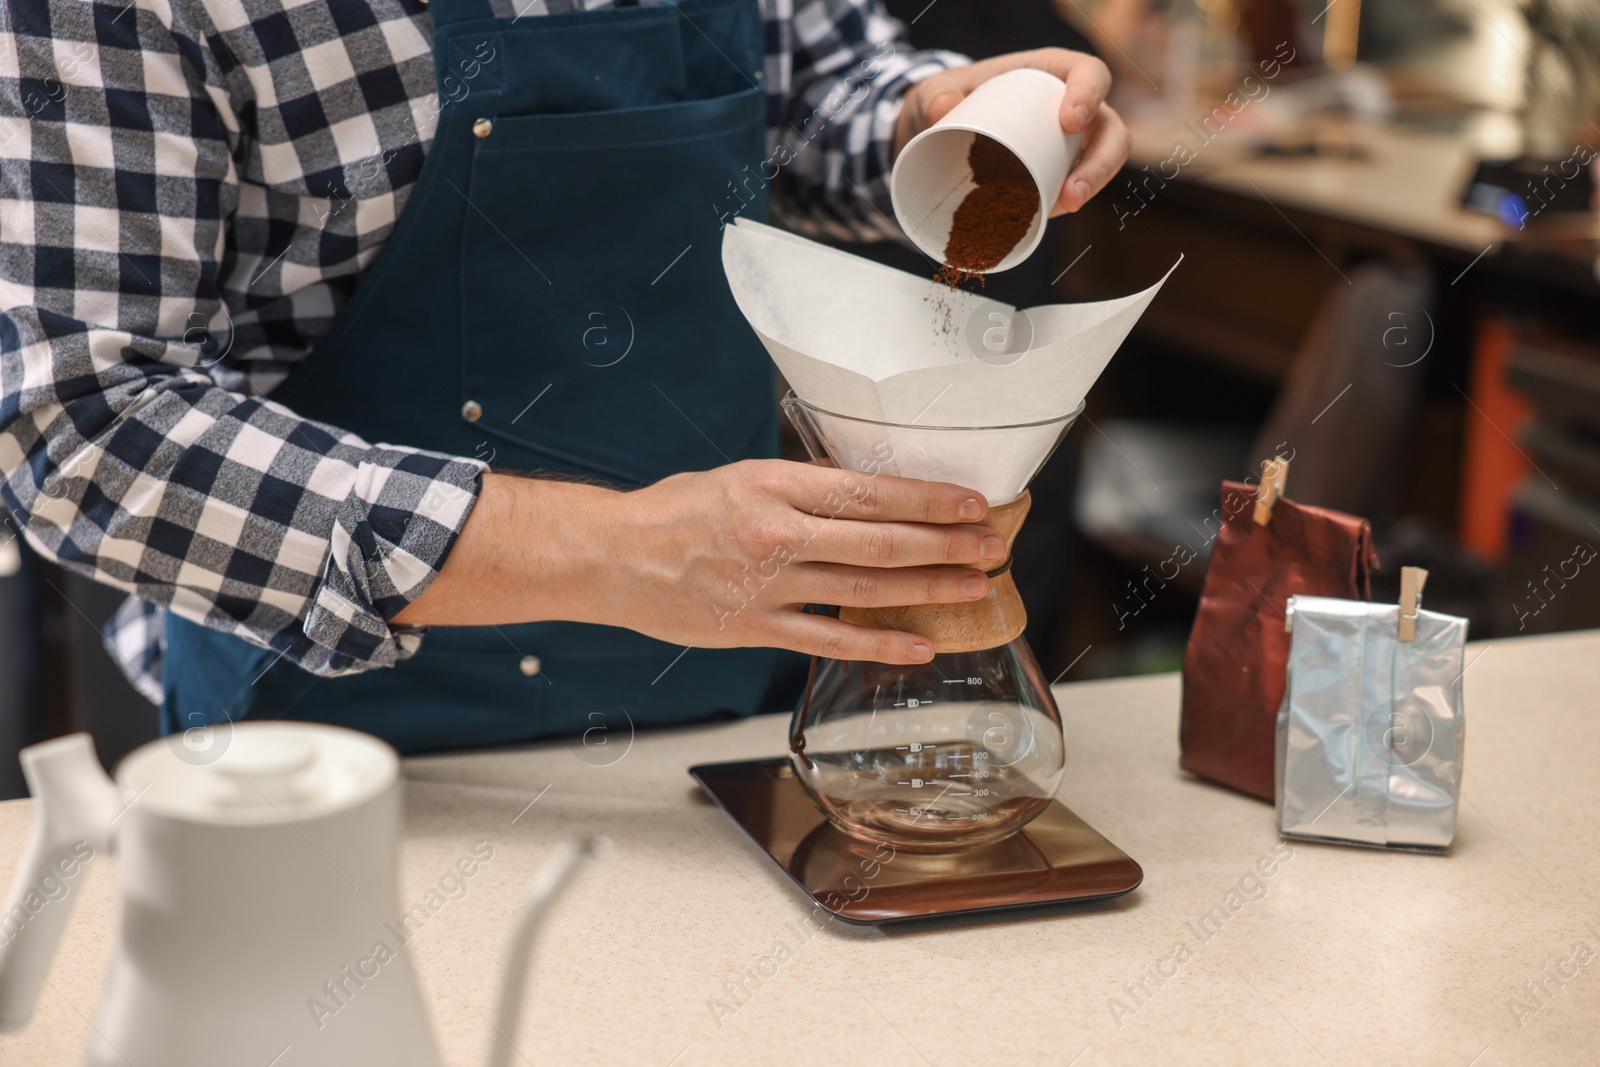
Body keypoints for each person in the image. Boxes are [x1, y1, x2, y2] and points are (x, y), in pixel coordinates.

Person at [0, 0, 1129, 754]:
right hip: (335, 763)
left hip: (721, 723)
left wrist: (929, 120)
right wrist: (624, 552)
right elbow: (78, 429)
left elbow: (820, 85)